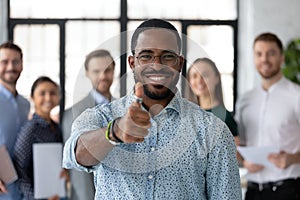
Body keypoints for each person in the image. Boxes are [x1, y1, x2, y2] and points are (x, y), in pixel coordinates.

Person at [63, 18, 242, 199]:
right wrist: (115, 132)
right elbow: (75, 155)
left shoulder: (212, 130)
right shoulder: (101, 117)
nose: (157, 65)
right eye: (146, 56)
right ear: (132, 63)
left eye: (168, 56)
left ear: (179, 64)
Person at [235, 32, 300, 200]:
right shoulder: (245, 100)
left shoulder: (296, 95)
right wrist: (244, 162)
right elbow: (239, 144)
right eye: (259, 54)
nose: (264, 59)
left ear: (282, 58)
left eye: (271, 53)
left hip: (288, 190)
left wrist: (293, 158)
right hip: (253, 191)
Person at [62, 49, 115, 200]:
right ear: (87, 73)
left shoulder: (125, 109)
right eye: (96, 71)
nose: (103, 76)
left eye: (108, 70)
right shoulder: (72, 113)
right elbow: (76, 168)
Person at [14, 76, 69, 200]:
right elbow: (20, 169)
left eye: (53, 93)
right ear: (33, 97)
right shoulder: (30, 129)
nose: (48, 98)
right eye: (42, 93)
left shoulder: (56, 127)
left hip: (57, 193)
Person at [0, 41, 30, 200]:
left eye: (15, 61)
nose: (10, 66)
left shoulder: (25, 104)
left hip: (22, 186)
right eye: (4, 62)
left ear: (22, 65)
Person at [187, 57, 239, 145]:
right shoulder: (186, 116)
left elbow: (236, 155)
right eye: (194, 76)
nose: (199, 81)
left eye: (205, 75)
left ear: (217, 78)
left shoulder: (226, 118)